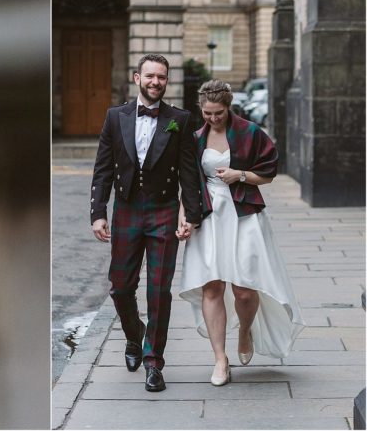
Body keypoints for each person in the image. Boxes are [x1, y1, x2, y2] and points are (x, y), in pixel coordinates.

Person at [178, 79, 305, 386]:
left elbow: (269, 172)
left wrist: (241, 175)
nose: (213, 118)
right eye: (207, 113)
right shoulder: (195, 138)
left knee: (246, 290)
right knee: (212, 287)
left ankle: (245, 330)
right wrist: (184, 216)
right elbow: (188, 182)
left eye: (218, 112)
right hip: (209, 215)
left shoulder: (250, 132)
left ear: (229, 105)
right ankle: (220, 359)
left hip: (243, 213)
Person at [89, 54, 203, 392]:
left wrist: (191, 216)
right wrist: (98, 212)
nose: (156, 82)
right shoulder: (115, 117)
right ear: (137, 77)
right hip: (126, 210)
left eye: (162, 78)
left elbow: (188, 172)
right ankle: (134, 334)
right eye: (150, 76)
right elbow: (103, 168)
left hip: (164, 211)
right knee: (120, 286)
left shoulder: (179, 120)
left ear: (167, 81)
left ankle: (154, 362)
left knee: (158, 291)